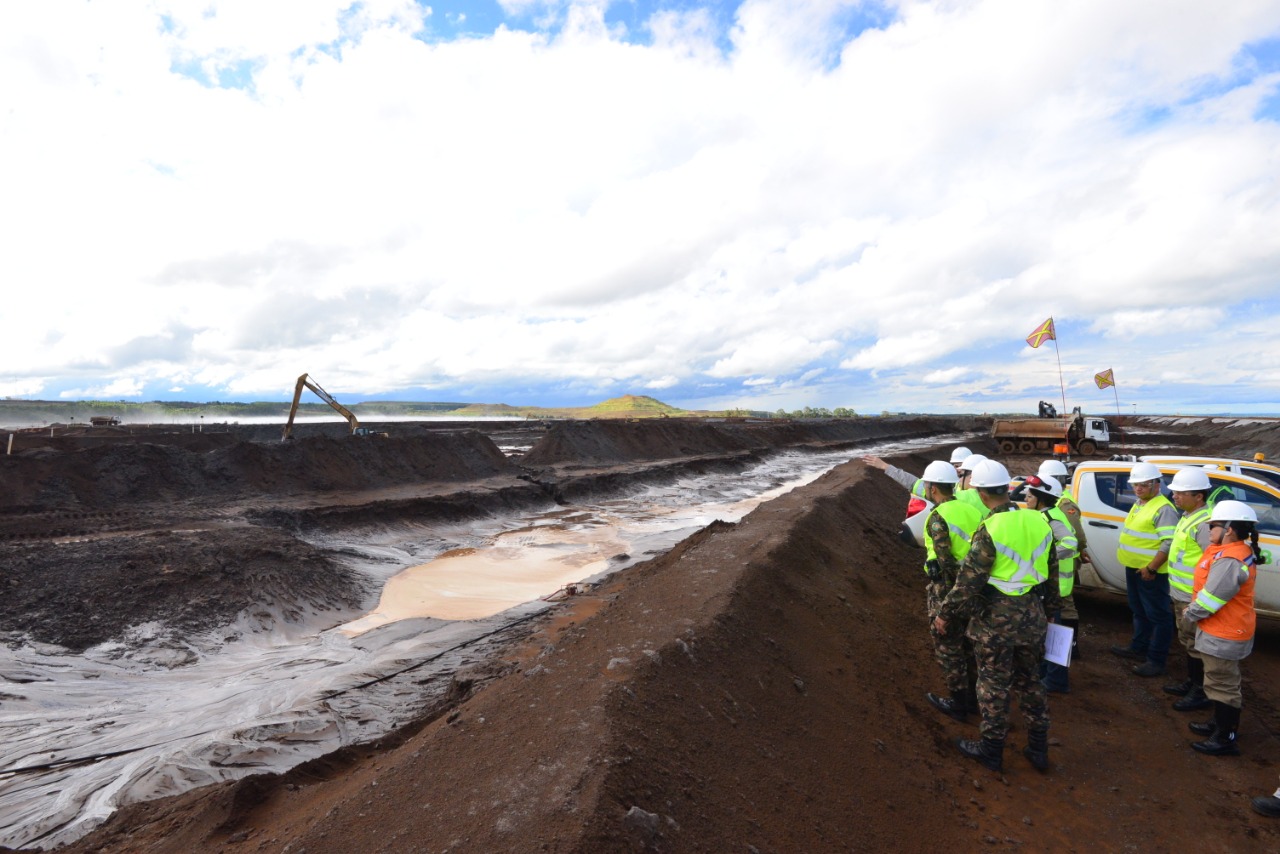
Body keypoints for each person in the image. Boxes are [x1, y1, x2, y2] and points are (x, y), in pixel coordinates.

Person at [934, 459, 1060, 773]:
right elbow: (1053, 574)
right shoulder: (1038, 521)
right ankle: (1038, 748)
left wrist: (945, 613)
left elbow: (969, 581)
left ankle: (991, 750)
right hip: (1032, 614)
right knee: (1030, 682)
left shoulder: (991, 528)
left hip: (996, 619)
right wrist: (1051, 612)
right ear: (1007, 488)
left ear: (981, 493)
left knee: (993, 683)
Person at [1183, 500, 1262, 756]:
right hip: (1225, 629)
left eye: (1212, 526)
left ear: (1228, 529)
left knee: (1223, 684)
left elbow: (1212, 598)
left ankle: (1225, 738)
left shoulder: (1230, 559)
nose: (1208, 530)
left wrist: (1190, 613)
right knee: (1218, 681)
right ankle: (1219, 724)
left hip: (1224, 632)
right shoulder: (1232, 551)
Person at [912, 461, 986, 722]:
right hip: (975, 590)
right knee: (970, 647)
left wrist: (947, 606)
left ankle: (958, 703)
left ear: (932, 488)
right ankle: (974, 700)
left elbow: (945, 563)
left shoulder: (937, 517)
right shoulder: (972, 510)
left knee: (949, 648)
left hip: (949, 592)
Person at [1109, 462, 1179, 677]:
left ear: (1157, 484)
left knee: (1158, 615)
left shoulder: (1163, 509)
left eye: (1143, 484)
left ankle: (1156, 660)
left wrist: (1152, 568)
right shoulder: (1140, 503)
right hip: (1135, 568)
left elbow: (1168, 542)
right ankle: (1138, 647)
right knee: (1139, 609)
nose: (1138, 488)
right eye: (1135, 484)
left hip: (1151, 572)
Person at [1162, 468, 1213, 711]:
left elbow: (1211, 563)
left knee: (1195, 643)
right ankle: (1193, 682)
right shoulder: (1188, 516)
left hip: (1192, 597)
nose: (1175, 496)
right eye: (1175, 492)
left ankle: (1200, 691)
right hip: (1181, 593)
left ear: (1198, 496)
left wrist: (1199, 599)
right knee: (1187, 640)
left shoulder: (1204, 523)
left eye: (1181, 493)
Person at [1023, 476, 1077, 693]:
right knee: (1048, 633)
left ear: (1041, 499)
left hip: (1057, 587)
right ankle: (1047, 674)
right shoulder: (1046, 515)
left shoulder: (1051, 518)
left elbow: (1070, 544)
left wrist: (1045, 557)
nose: (1026, 500)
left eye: (1029, 496)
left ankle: (1056, 680)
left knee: (1054, 635)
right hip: (1051, 585)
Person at [1039, 459, 1087, 661]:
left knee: (1065, 604)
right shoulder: (1056, 502)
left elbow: (1076, 535)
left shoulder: (1064, 503)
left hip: (1064, 561)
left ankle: (1070, 646)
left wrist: (1081, 550)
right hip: (1060, 559)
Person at [954, 453, 992, 518]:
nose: (960, 479)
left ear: (972, 477)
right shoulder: (995, 497)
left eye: (961, 475)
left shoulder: (960, 497)